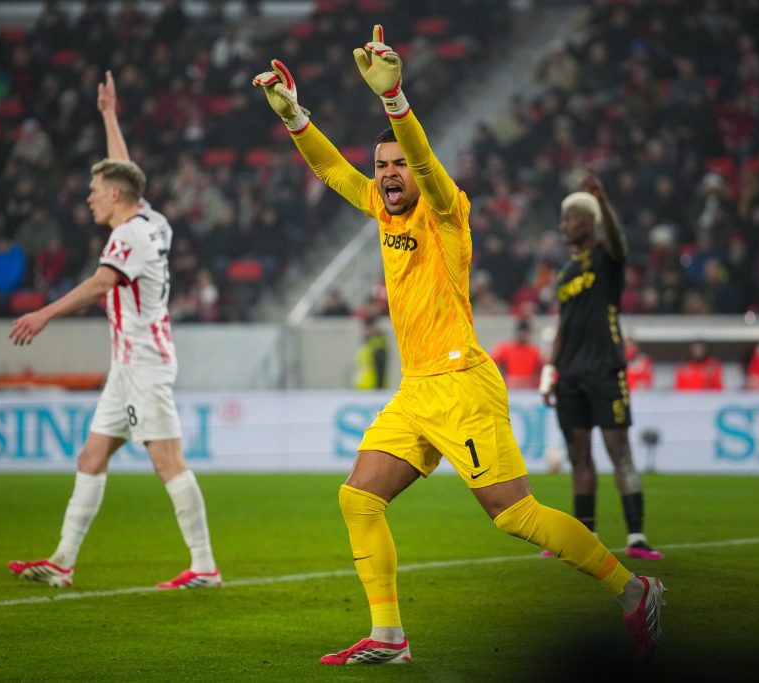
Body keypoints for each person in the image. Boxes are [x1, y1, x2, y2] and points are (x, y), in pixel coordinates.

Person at [253, 26, 665, 666]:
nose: (389, 176)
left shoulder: (447, 211)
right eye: (381, 167)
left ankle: (635, 592)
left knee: (514, 515)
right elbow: (332, 170)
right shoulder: (382, 210)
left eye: (398, 166)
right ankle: (389, 637)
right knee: (358, 497)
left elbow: (424, 164)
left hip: (462, 385)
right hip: (417, 390)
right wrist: (295, 118)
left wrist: (395, 100)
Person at [6, 71, 220, 590]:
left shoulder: (129, 238)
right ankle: (62, 561)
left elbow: (102, 283)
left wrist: (43, 314)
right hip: (129, 364)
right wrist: (109, 116)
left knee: (167, 461)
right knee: (92, 455)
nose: (89, 199)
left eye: (95, 191)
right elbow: (128, 175)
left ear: (116, 196)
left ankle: (204, 566)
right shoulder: (152, 220)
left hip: (145, 362)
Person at [539, 173, 664, 564]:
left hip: (606, 369)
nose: (563, 225)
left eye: (570, 218)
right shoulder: (565, 272)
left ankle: (637, 537)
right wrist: (549, 371)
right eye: (563, 219)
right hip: (570, 375)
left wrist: (603, 201)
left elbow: (619, 241)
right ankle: (585, 536)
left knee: (618, 452)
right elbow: (563, 325)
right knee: (579, 456)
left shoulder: (607, 258)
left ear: (589, 222)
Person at [490, 317, 544, 389]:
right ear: (517, 332)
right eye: (522, 332)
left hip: (528, 389)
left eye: (526, 333)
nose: (524, 335)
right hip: (511, 388)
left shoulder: (534, 351)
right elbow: (492, 362)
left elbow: (542, 369)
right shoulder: (506, 349)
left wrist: (535, 382)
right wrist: (501, 378)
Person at [354, 315, 389, 390]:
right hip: (364, 386)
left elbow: (381, 368)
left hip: (375, 386)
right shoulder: (366, 344)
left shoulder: (378, 344)